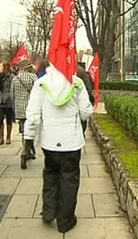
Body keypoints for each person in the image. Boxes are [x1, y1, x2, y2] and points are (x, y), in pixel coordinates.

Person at [24, 62, 93, 234]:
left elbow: (32, 115)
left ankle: (49, 211)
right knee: (69, 179)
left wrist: (29, 137)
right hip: (72, 142)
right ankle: (65, 220)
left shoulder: (41, 83)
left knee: (51, 174)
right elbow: (85, 112)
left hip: (49, 141)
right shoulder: (77, 83)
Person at [10, 58, 38, 154]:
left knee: (24, 130)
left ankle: (26, 148)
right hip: (32, 109)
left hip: (20, 109)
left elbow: (12, 96)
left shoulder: (15, 78)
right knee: (30, 130)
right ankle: (26, 150)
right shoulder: (34, 77)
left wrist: (15, 109)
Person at [0, 60, 15, 145]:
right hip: (0, 100)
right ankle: (1, 137)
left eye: (1, 66)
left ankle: (8, 137)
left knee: (8, 119)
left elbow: (12, 89)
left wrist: (9, 97)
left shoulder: (11, 77)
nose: (0, 68)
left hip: (8, 101)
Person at [76, 61, 95, 135]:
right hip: (81, 98)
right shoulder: (81, 71)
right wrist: (90, 97)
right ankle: (82, 133)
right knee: (82, 117)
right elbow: (88, 86)